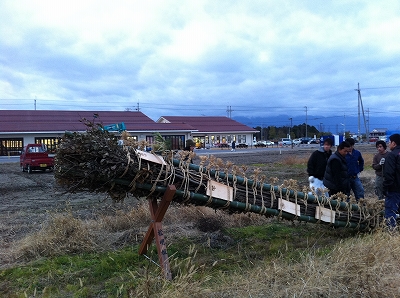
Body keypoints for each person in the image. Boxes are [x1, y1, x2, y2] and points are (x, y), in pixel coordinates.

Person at [383, 133, 400, 229]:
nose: (389, 144)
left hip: (394, 188)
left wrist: (385, 188)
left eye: (389, 142)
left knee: (391, 210)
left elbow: (389, 174)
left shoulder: (392, 155)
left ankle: (391, 230)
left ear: (394, 143)